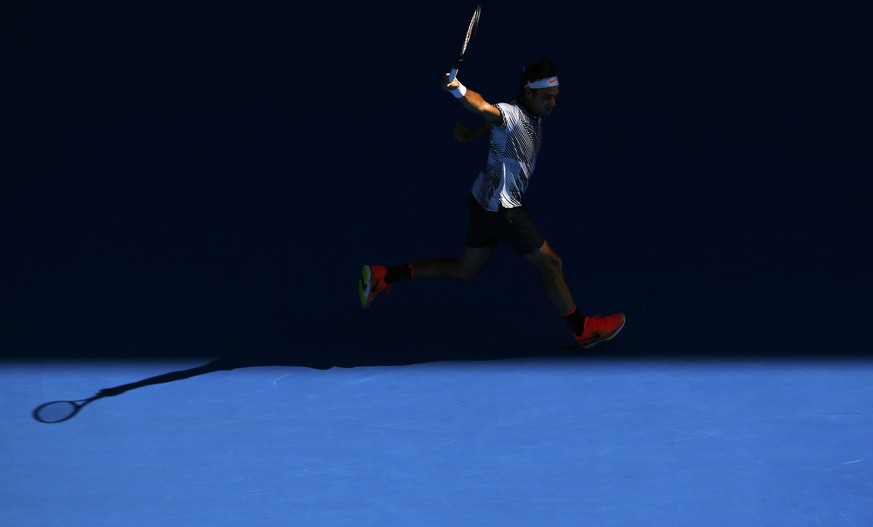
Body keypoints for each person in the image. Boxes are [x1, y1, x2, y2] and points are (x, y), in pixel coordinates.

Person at [359, 58, 625, 349]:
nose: (553, 104)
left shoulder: (525, 112)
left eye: (555, 97)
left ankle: (384, 275)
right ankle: (583, 329)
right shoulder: (511, 113)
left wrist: (468, 136)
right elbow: (485, 108)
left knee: (465, 270)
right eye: (547, 97)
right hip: (503, 209)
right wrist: (458, 89)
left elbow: (489, 124)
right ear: (529, 94)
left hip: (481, 201)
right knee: (551, 262)